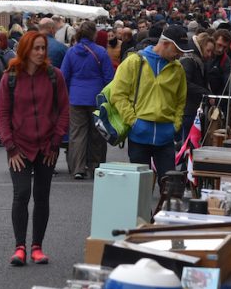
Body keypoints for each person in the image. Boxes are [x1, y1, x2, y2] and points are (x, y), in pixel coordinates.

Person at [0, 31, 70, 266]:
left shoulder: (54, 75)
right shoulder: (10, 77)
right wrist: (10, 147)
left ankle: (37, 247)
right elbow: (2, 115)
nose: (40, 53)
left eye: (43, 49)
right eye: (36, 48)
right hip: (19, 147)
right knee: (21, 195)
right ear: (25, 50)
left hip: (47, 147)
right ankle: (20, 247)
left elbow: (64, 111)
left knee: (41, 196)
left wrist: (56, 142)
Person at [109, 25, 189, 181]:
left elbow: (181, 100)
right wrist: (133, 122)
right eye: (177, 49)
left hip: (165, 137)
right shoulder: (134, 62)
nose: (180, 54)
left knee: (170, 186)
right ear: (165, 43)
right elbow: (118, 94)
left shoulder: (178, 69)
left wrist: (175, 125)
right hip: (139, 136)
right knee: (139, 189)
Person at [60, 21, 115, 180]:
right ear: (94, 34)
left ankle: (77, 168)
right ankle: (95, 166)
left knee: (77, 134)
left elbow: (64, 76)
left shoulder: (71, 52)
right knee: (97, 134)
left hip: (76, 98)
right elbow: (109, 78)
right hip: (96, 98)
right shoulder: (101, 52)